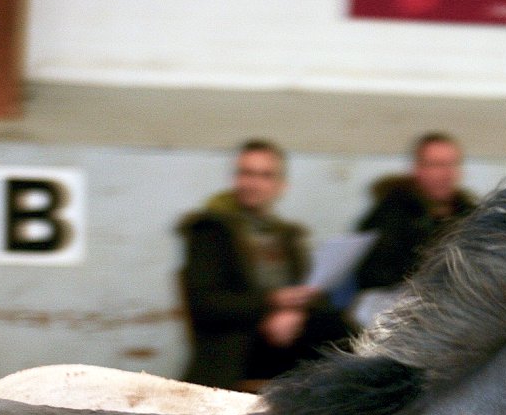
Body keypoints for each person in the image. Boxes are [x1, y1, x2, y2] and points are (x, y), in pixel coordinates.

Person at [178, 139, 350, 389]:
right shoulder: (210, 232)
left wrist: (294, 314)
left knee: (340, 326)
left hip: (289, 341)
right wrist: (271, 304)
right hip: (236, 347)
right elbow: (206, 305)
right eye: (246, 173)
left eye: (265, 175)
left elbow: (306, 291)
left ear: (281, 186)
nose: (253, 183)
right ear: (235, 178)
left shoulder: (287, 236)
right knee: (335, 332)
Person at [350, 132, 475, 326]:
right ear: (418, 169)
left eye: (452, 164)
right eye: (437, 165)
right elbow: (371, 273)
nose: (446, 173)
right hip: (397, 299)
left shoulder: (470, 214)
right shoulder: (390, 214)